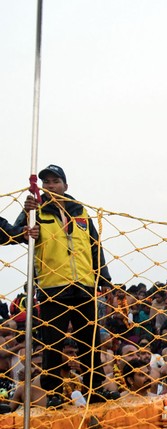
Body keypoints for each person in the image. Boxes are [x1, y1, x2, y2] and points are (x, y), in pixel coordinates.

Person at [3, 165, 115, 405]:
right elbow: (14, 234)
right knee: (52, 343)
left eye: (55, 181)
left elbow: (95, 245)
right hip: (53, 286)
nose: (50, 186)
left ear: (66, 185)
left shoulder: (81, 211)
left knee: (90, 341)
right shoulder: (36, 209)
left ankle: (95, 389)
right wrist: (25, 223)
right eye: (46, 183)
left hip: (84, 284)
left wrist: (103, 278)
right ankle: (53, 393)